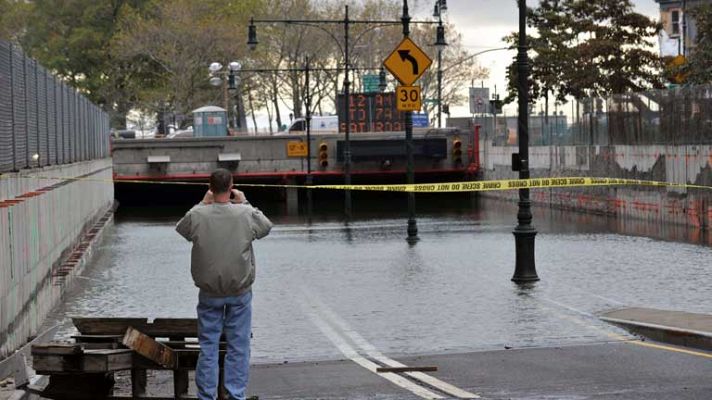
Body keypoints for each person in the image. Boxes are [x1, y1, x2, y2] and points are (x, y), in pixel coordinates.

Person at [176, 168, 272, 400]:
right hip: (239, 291)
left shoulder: (198, 214)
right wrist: (245, 201)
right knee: (238, 347)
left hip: (209, 292)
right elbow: (266, 227)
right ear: (231, 187)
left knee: (208, 346)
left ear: (210, 188)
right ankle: (235, 394)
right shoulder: (245, 213)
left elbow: (182, 228)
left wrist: (202, 202)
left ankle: (207, 396)